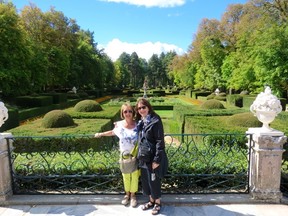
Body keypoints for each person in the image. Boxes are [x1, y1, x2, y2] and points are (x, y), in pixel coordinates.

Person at [94, 103, 139, 207]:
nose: (128, 113)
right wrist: (101, 134)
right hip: (124, 156)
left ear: (133, 112)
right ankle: (127, 194)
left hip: (136, 155)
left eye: (130, 111)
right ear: (122, 113)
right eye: (125, 111)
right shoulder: (119, 125)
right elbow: (112, 132)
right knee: (125, 176)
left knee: (135, 176)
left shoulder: (138, 124)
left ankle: (133, 196)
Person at [135, 98, 168, 215]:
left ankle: (158, 202)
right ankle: (151, 200)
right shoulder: (141, 121)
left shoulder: (155, 120)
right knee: (145, 180)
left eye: (143, 107)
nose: (141, 110)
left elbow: (160, 141)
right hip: (143, 156)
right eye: (139, 108)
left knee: (154, 180)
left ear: (148, 107)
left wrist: (157, 159)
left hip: (152, 156)